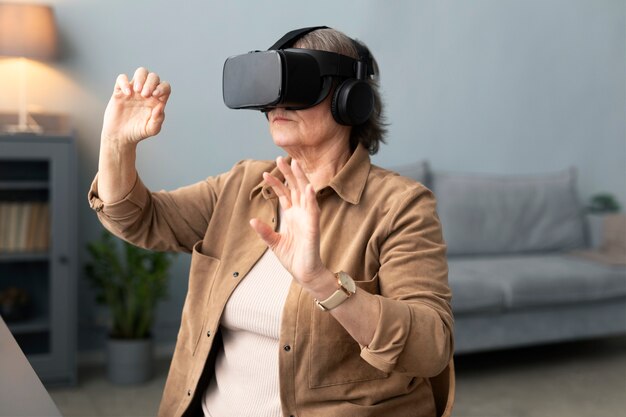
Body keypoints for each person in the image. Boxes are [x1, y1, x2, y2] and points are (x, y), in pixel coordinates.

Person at [89, 26, 454, 417]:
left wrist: (321, 283)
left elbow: (431, 347)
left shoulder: (401, 206)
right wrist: (115, 145)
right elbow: (140, 219)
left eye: (296, 85)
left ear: (351, 100)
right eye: (270, 87)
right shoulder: (243, 184)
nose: (277, 103)